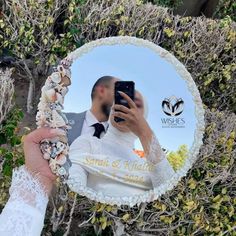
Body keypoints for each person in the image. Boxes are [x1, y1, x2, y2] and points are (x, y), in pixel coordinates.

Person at [67, 90, 175, 202]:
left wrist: (145, 132)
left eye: (136, 105)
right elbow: (73, 184)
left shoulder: (148, 164)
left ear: (143, 117)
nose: (127, 108)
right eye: (122, 101)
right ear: (112, 109)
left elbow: (170, 197)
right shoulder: (88, 143)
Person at [65, 75, 120, 145]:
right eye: (119, 92)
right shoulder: (62, 120)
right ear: (102, 91)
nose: (123, 99)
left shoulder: (120, 138)